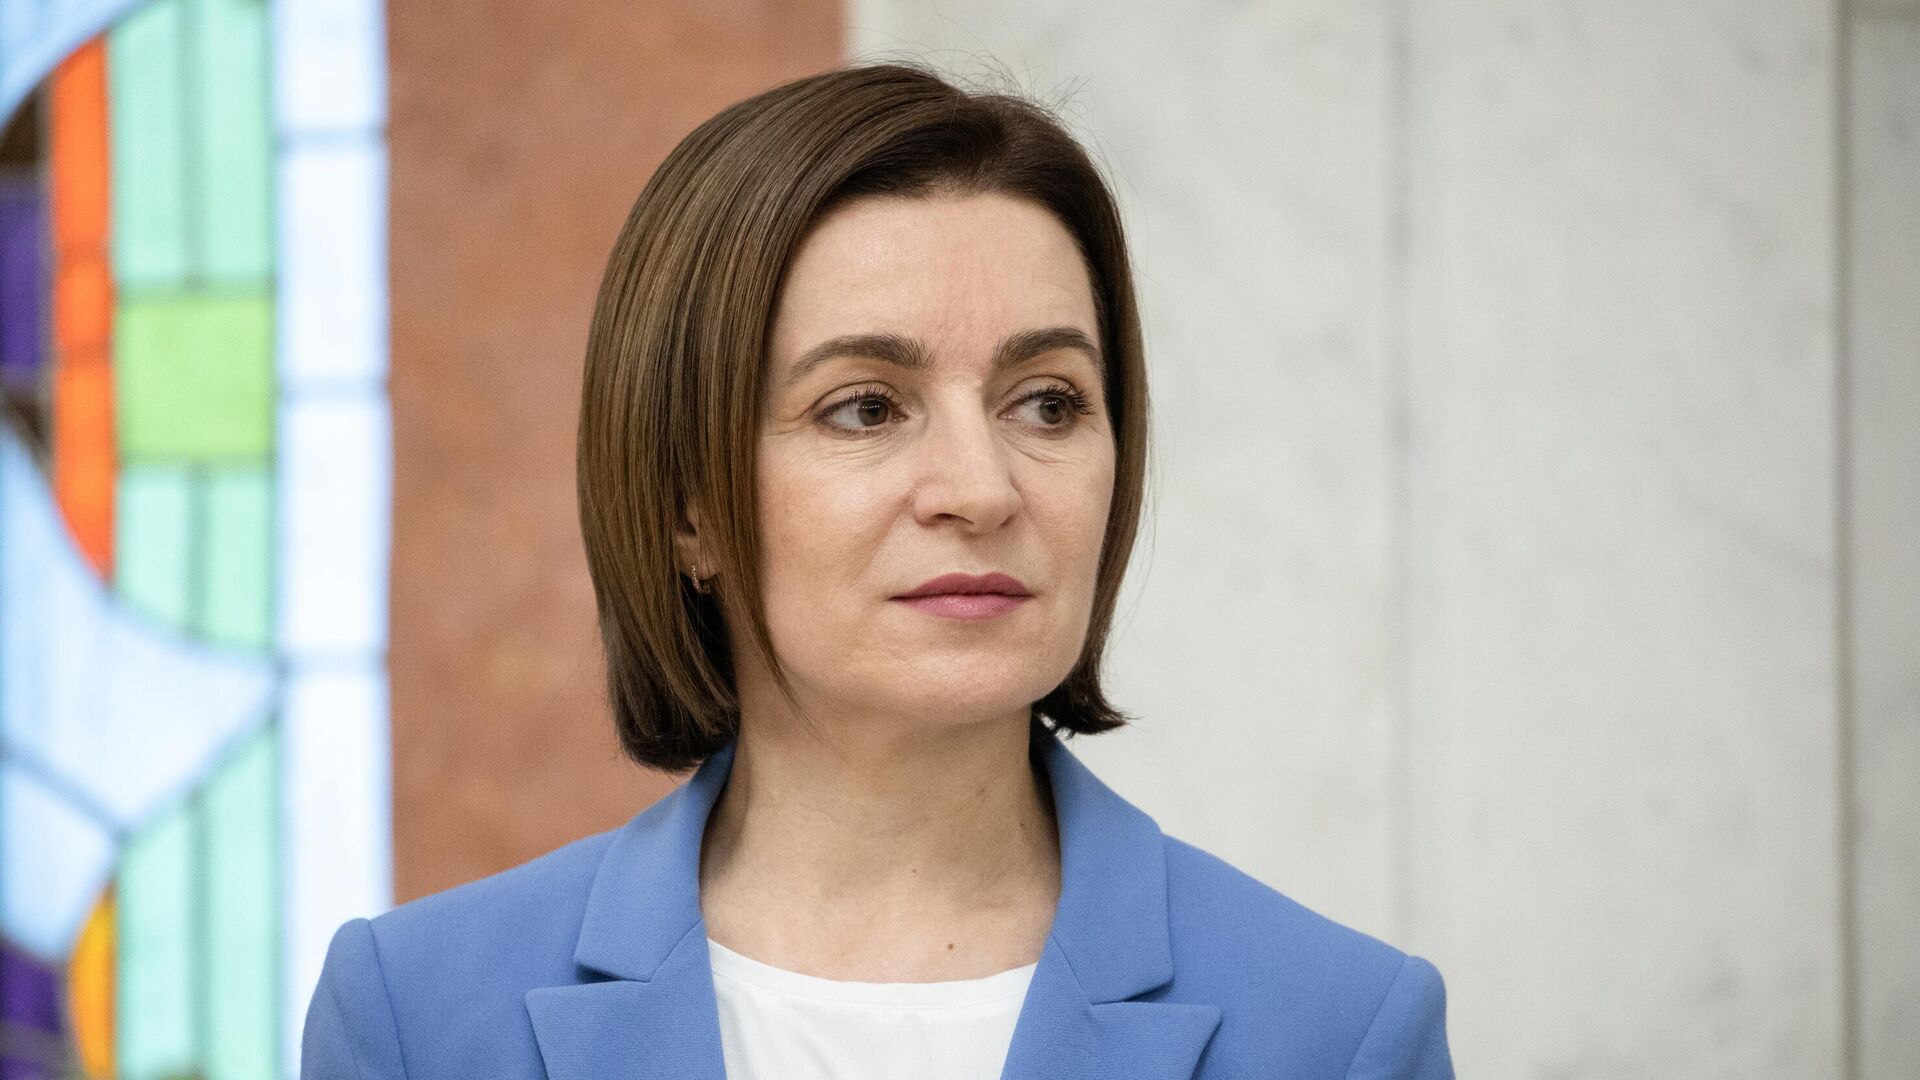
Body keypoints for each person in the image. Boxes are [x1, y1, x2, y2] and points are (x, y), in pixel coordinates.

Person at [301, 60, 1454, 1080]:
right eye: (865, 407)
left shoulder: (1338, 1032)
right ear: (690, 507)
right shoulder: (417, 1019)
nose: (982, 489)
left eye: (1047, 402)